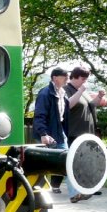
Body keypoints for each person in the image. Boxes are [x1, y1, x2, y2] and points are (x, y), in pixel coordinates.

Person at [33, 67, 87, 203]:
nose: (67, 79)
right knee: (43, 166)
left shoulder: (62, 93)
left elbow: (63, 115)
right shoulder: (45, 93)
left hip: (59, 133)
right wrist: (43, 134)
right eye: (64, 77)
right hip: (49, 135)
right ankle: (37, 194)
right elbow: (39, 116)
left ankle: (75, 193)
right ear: (55, 78)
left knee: (68, 161)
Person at [65, 66, 107, 195]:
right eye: (83, 79)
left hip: (88, 133)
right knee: (75, 163)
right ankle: (76, 190)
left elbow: (91, 105)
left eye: (86, 79)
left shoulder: (83, 90)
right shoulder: (66, 89)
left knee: (89, 161)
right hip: (74, 133)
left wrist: (99, 97)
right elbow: (68, 105)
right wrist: (80, 91)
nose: (84, 81)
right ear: (75, 77)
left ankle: (90, 187)